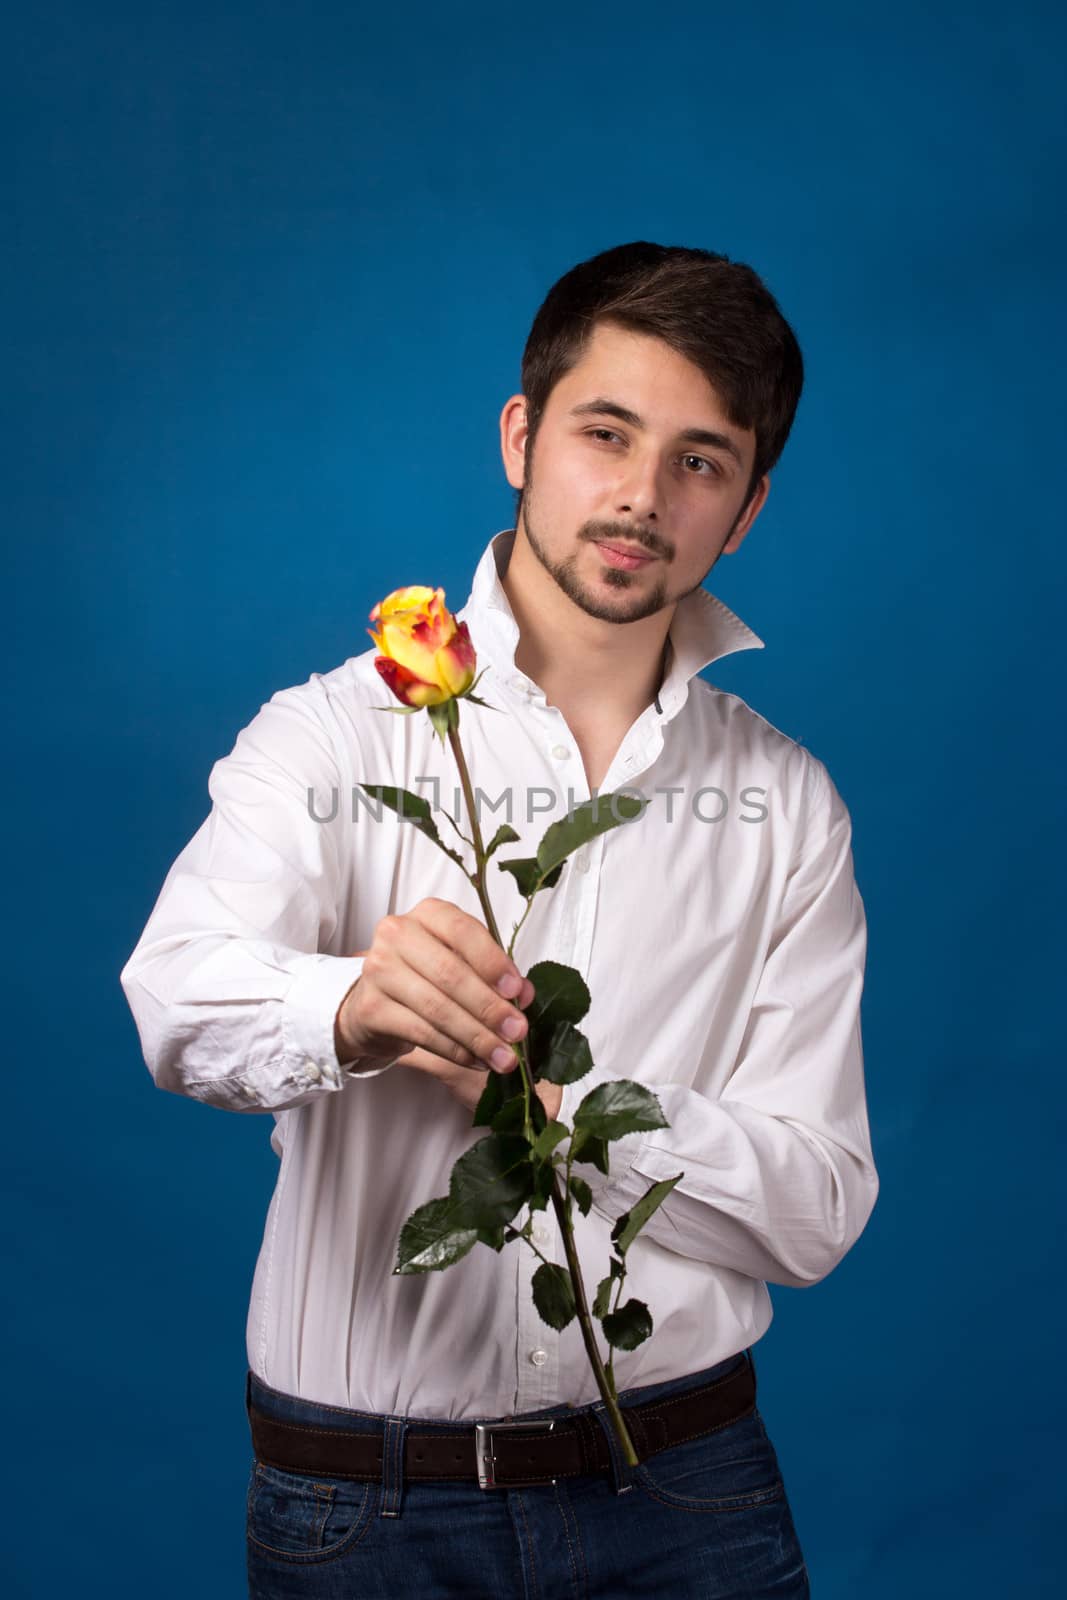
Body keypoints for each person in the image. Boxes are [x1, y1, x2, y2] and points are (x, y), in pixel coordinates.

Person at [120, 240, 879, 1597]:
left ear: (747, 509)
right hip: (367, 1507)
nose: (642, 498)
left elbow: (816, 1206)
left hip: (688, 1489)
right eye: (607, 433)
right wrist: (347, 1008)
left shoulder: (788, 802)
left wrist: (589, 1113)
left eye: (701, 462)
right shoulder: (330, 735)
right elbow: (175, 1002)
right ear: (522, 437)